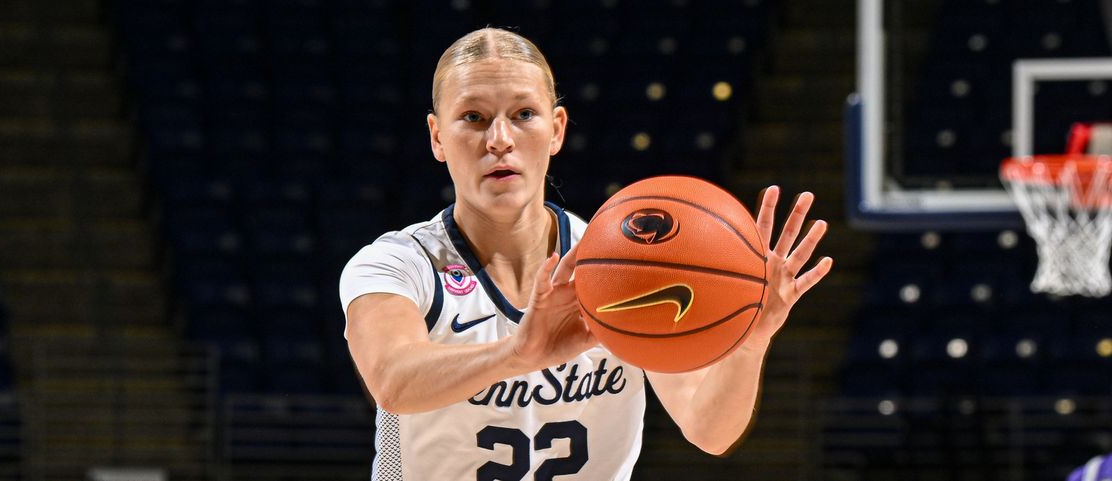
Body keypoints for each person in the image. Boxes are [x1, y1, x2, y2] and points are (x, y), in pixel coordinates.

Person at [339, 27, 833, 481]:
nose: (500, 140)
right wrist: (516, 355)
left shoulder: (626, 266)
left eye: (523, 115)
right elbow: (392, 381)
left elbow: (710, 430)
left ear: (556, 129)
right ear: (437, 137)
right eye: (473, 117)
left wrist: (749, 342)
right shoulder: (398, 265)